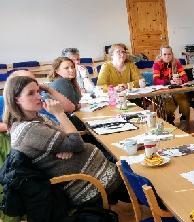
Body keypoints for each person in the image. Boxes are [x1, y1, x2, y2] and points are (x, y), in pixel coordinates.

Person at [3, 76, 122, 206]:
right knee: (138, 177)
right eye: (31, 93)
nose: (39, 97)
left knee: (129, 163)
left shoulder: (38, 118)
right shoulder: (29, 130)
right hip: (85, 185)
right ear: (16, 99)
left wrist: (68, 144)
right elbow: (76, 143)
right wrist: (60, 114)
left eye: (38, 91)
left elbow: (69, 137)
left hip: (94, 173)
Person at [152, 45, 190, 128]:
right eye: (164, 54)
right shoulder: (157, 64)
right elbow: (156, 80)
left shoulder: (176, 63)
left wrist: (181, 81)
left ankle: (183, 120)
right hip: (163, 90)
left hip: (175, 89)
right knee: (169, 104)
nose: (167, 56)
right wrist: (169, 82)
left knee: (184, 101)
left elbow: (185, 77)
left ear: (172, 54)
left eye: (169, 54)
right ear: (161, 55)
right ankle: (169, 120)